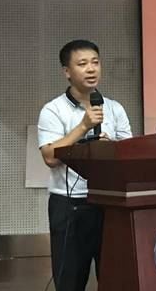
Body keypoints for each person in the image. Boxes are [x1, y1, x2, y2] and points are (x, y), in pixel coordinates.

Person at [37, 39, 132, 291]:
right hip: (70, 206)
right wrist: (83, 127)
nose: (91, 69)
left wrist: (111, 147)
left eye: (95, 62)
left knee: (115, 278)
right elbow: (49, 157)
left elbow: (130, 155)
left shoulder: (114, 108)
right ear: (67, 71)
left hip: (110, 204)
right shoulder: (53, 110)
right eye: (82, 64)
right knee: (70, 281)